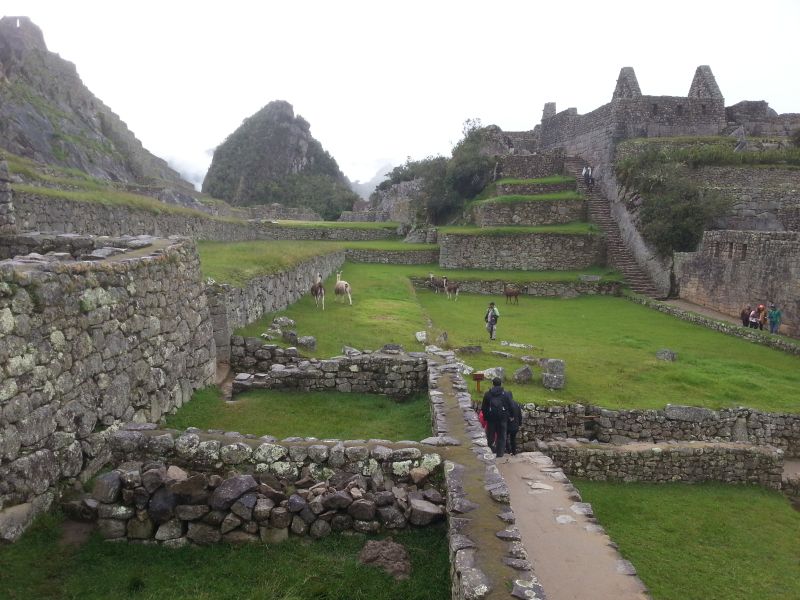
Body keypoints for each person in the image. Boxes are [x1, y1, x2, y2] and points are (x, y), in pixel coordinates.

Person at [481, 377, 512, 458]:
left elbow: (483, 408)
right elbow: (511, 406)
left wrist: (486, 418)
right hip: (502, 420)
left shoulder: (488, 394)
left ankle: (490, 454)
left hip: (491, 420)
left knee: (490, 437)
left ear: (492, 384)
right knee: (501, 438)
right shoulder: (506, 394)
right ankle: (500, 455)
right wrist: (510, 416)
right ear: (501, 384)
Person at [505, 390, 523, 455]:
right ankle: (514, 452)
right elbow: (519, 415)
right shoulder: (517, 404)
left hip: (507, 426)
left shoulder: (505, 404)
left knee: (505, 438)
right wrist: (520, 424)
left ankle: (508, 451)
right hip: (515, 426)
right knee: (513, 439)